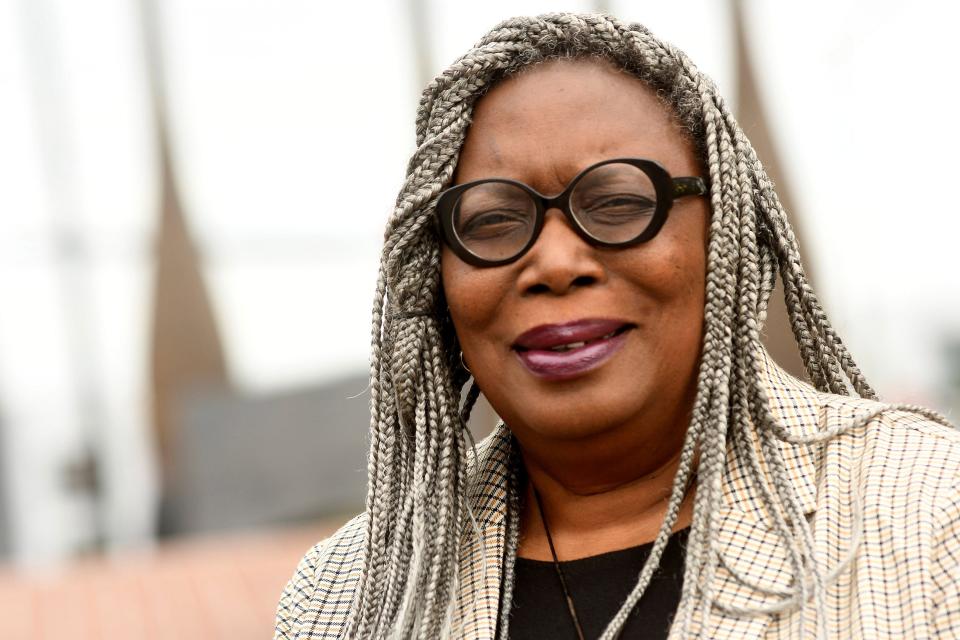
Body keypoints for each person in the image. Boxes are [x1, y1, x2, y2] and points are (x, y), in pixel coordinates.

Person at [275, 13, 960, 640]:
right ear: (438, 278)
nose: (555, 261)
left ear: (724, 237)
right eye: (492, 220)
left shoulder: (931, 511)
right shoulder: (345, 597)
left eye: (618, 203)